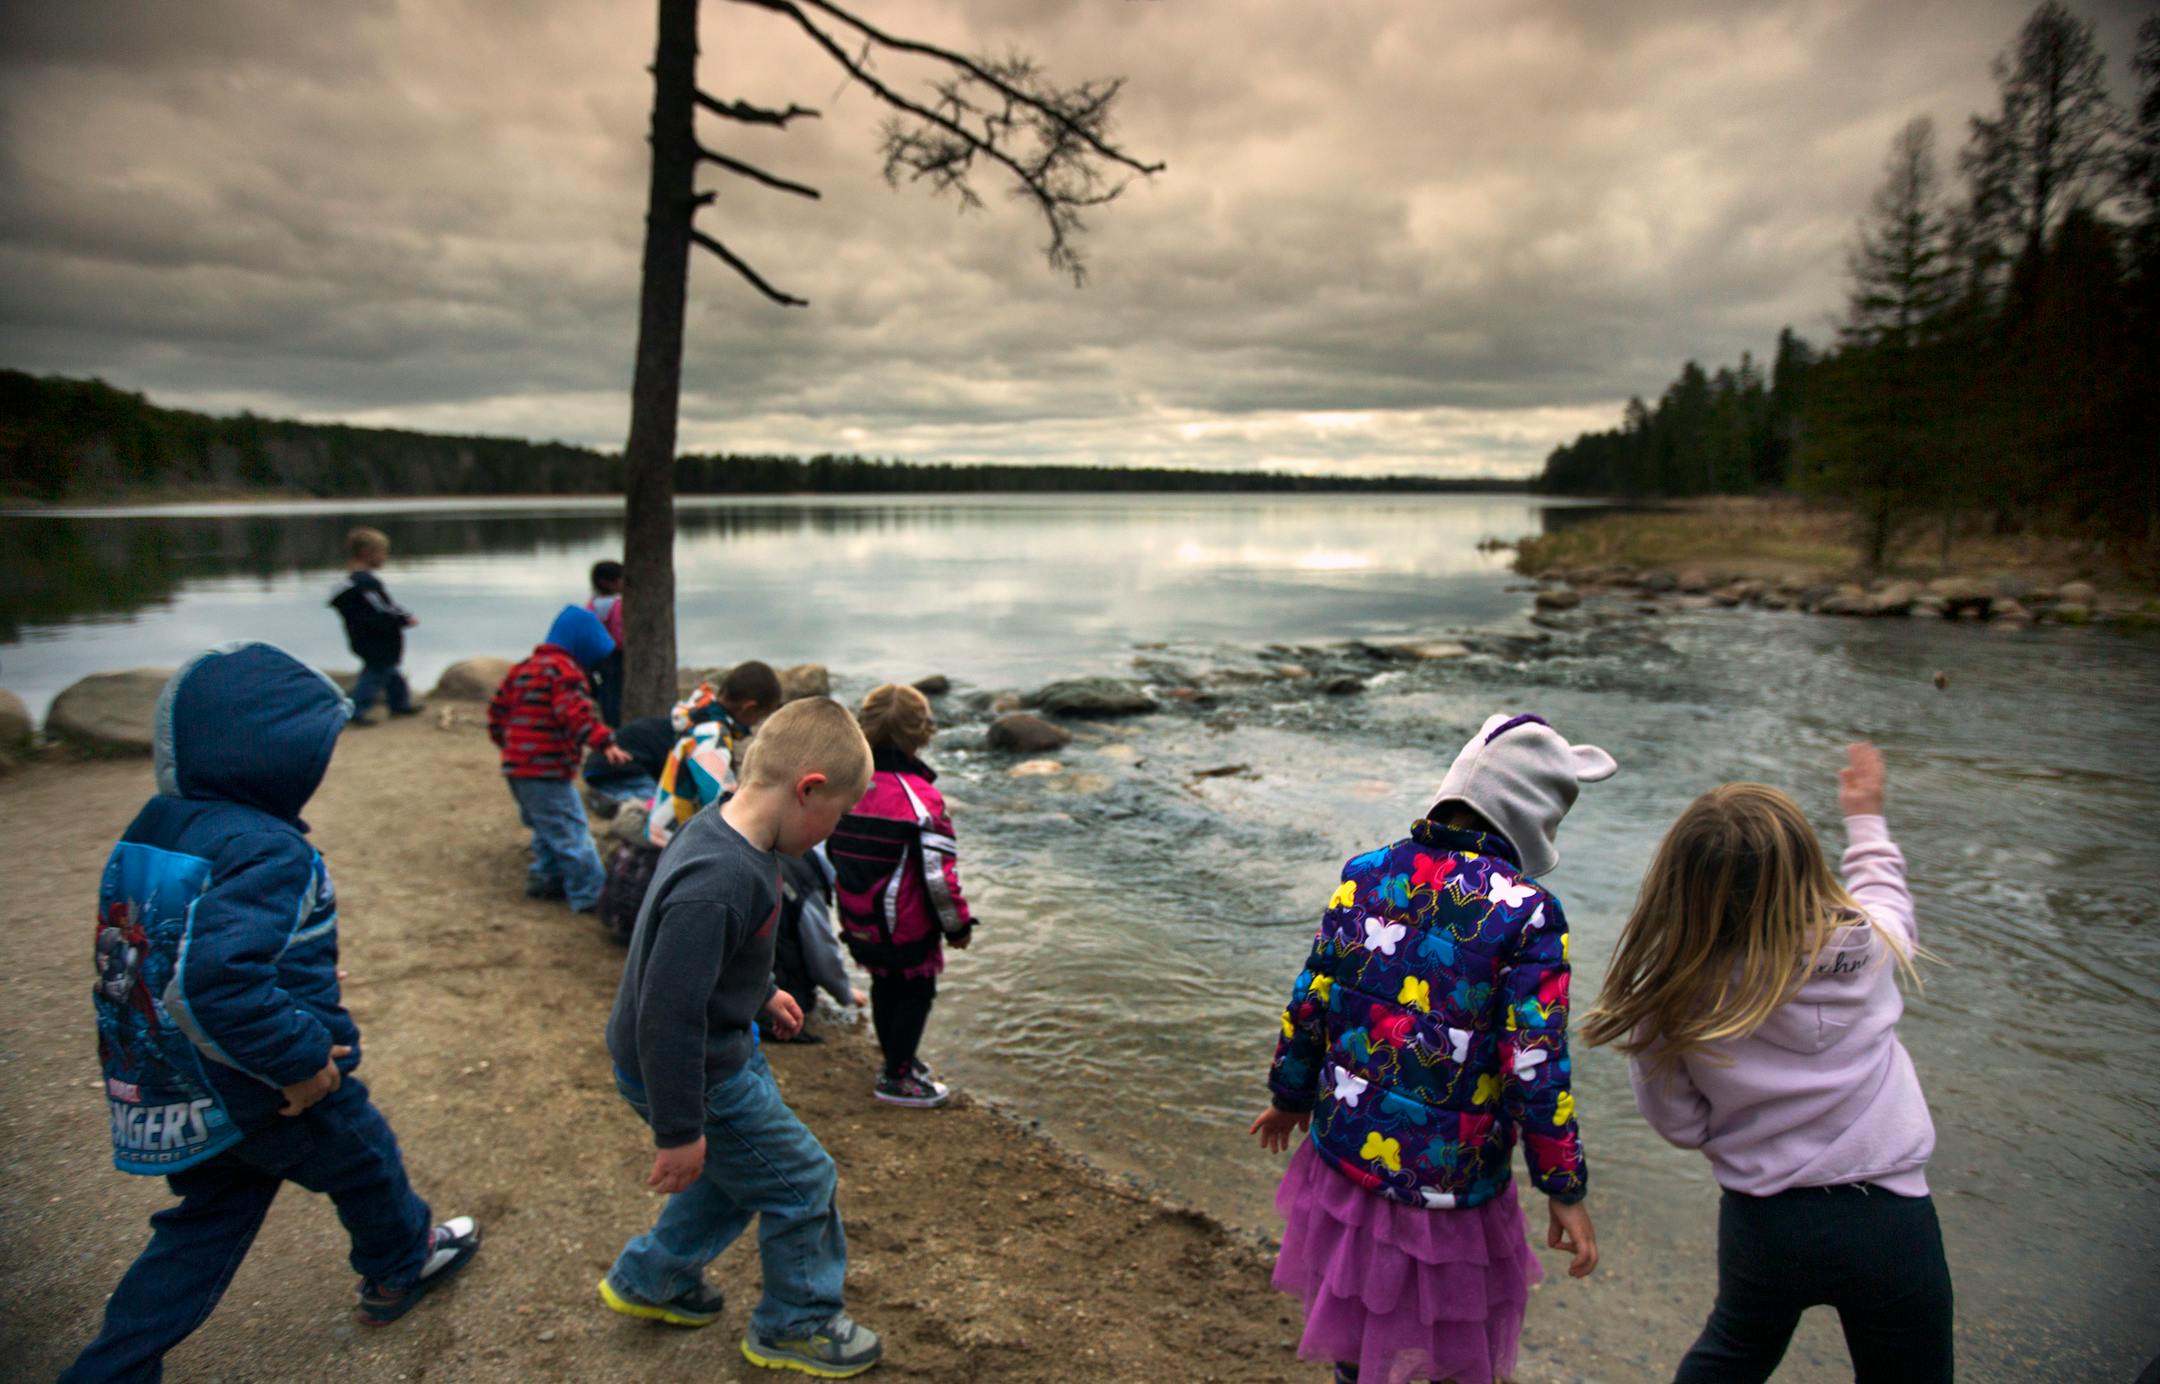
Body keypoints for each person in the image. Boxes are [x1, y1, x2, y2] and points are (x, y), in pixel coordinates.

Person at [63, 642, 480, 1382]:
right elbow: (213, 986)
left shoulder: (154, 826)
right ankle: (400, 1263)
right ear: (268, 757)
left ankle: (112, 1368)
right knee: (365, 1161)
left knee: (203, 1227)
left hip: (179, 1075)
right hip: (271, 1084)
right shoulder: (269, 847)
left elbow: (161, 946)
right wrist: (301, 1065)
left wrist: (287, 963)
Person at [1252, 712, 1614, 1384]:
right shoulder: (1531, 913)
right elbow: (1535, 1067)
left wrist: (1289, 1096)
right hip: (1449, 1186)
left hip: (1345, 1161)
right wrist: (1562, 1185)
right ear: (1534, 821)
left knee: (1357, 1333)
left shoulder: (1365, 872)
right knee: (1447, 1347)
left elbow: (1311, 997)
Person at [1582, 743, 1950, 1384]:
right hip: (1892, 1220)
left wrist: (1739, 1124)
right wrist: (1865, 818)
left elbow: (1678, 1124)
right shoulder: (1874, 944)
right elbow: (1886, 890)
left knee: (1732, 1354)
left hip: (1767, 1221)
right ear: (1807, 868)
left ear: (1681, 886)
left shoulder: (1673, 995)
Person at [599, 696, 884, 1379]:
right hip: (696, 1072)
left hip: (719, 1053)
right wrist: (678, 1129)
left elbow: (710, 961)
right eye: (838, 816)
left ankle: (651, 1280)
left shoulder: (724, 830)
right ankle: (797, 1324)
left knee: (735, 1179)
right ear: (807, 789)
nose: (831, 835)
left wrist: (762, 992)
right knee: (802, 1181)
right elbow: (666, 1014)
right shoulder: (723, 879)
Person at [828, 684, 975, 1108]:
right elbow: (938, 877)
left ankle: (897, 1057)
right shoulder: (921, 799)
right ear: (922, 732)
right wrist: (958, 926)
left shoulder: (849, 786)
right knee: (916, 992)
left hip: (858, 918)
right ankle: (896, 1077)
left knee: (882, 984)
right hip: (906, 924)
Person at [487, 606, 630, 914]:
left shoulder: (522, 668)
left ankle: (547, 878)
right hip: (546, 769)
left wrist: (511, 746)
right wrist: (604, 742)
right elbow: (574, 713)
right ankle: (591, 895)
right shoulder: (565, 672)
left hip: (518, 769)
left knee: (546, 826)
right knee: (573, 833)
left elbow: (497, 713)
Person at [646, 662, 783, 849]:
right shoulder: (711, 735)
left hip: (668, 822)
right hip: (672, 835)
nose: (755, 724)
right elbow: (720, 799)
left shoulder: (702, 714)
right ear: (748, 707)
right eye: (760, 716)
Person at [329, 527, 421, 726]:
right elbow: (382, 609)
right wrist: (405, 619)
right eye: (383, 552)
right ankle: (356, 710)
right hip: (375, 638)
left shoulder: (348, 584)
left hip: (363, 636)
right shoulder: (365, 584)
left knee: (389, 671)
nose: (385, 557)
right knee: (377, 673)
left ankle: (399, 704)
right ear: (367, 553)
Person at [586, 559, 627, 728]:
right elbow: (619, 632)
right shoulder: (617, 605)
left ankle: (607, 720)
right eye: (620, 579)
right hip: (615, 653)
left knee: (605, 688)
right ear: (609, 583)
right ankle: (615, 723)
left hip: (596, 653)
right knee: (615, 688)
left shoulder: (591, 604)